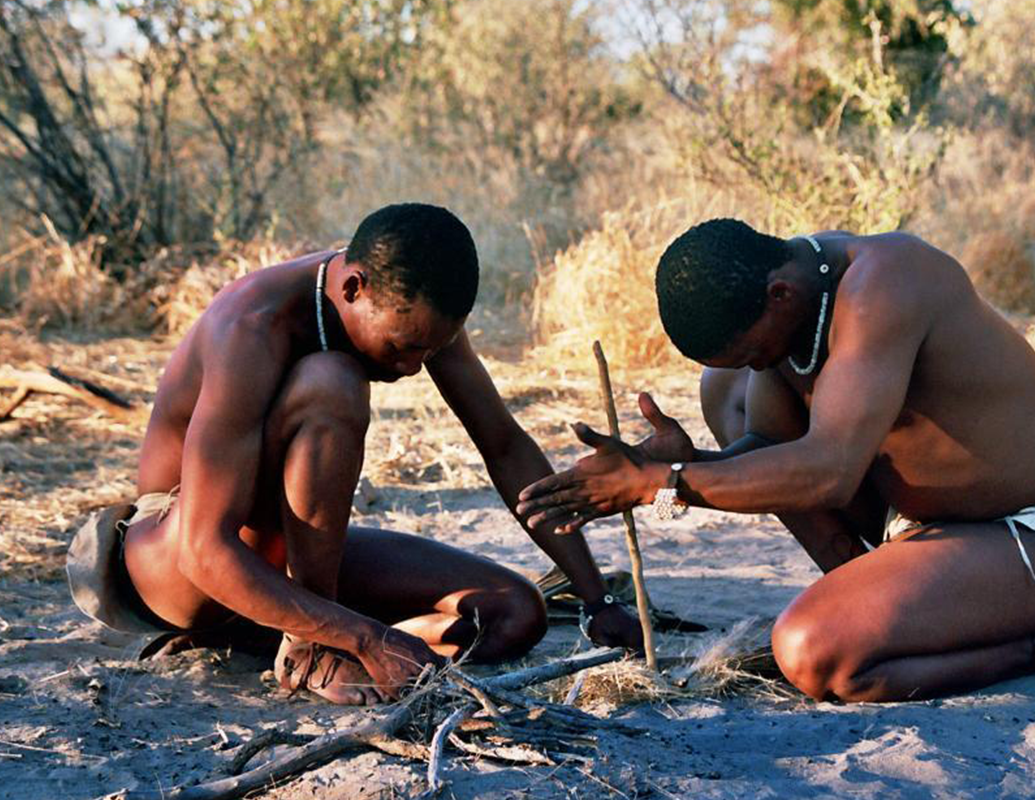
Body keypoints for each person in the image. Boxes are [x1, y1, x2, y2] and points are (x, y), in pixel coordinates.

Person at [517, 219, 1035, 702]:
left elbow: (830, 472)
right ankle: (876, 595)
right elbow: (779, 455)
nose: (761, 367)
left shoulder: (885, 283)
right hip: (930, 527)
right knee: (722, 392)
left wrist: (665, 484)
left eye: (757, 352)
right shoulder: (798, 297)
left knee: (811, 652)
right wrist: (692, 465)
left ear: (779, 294)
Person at [67, 203, 641, 705]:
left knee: (515, 613)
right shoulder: (253, 326)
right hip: (175, 559)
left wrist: (595, 600)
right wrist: (365, 638)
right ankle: (311, 646)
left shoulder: (414, 302)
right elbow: (202, 550)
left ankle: (271, 628)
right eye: (403, 347)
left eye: (431, 349)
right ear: (352, 289)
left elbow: (504, 443)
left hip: (274, 560)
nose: (415, 365)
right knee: (333, 381)